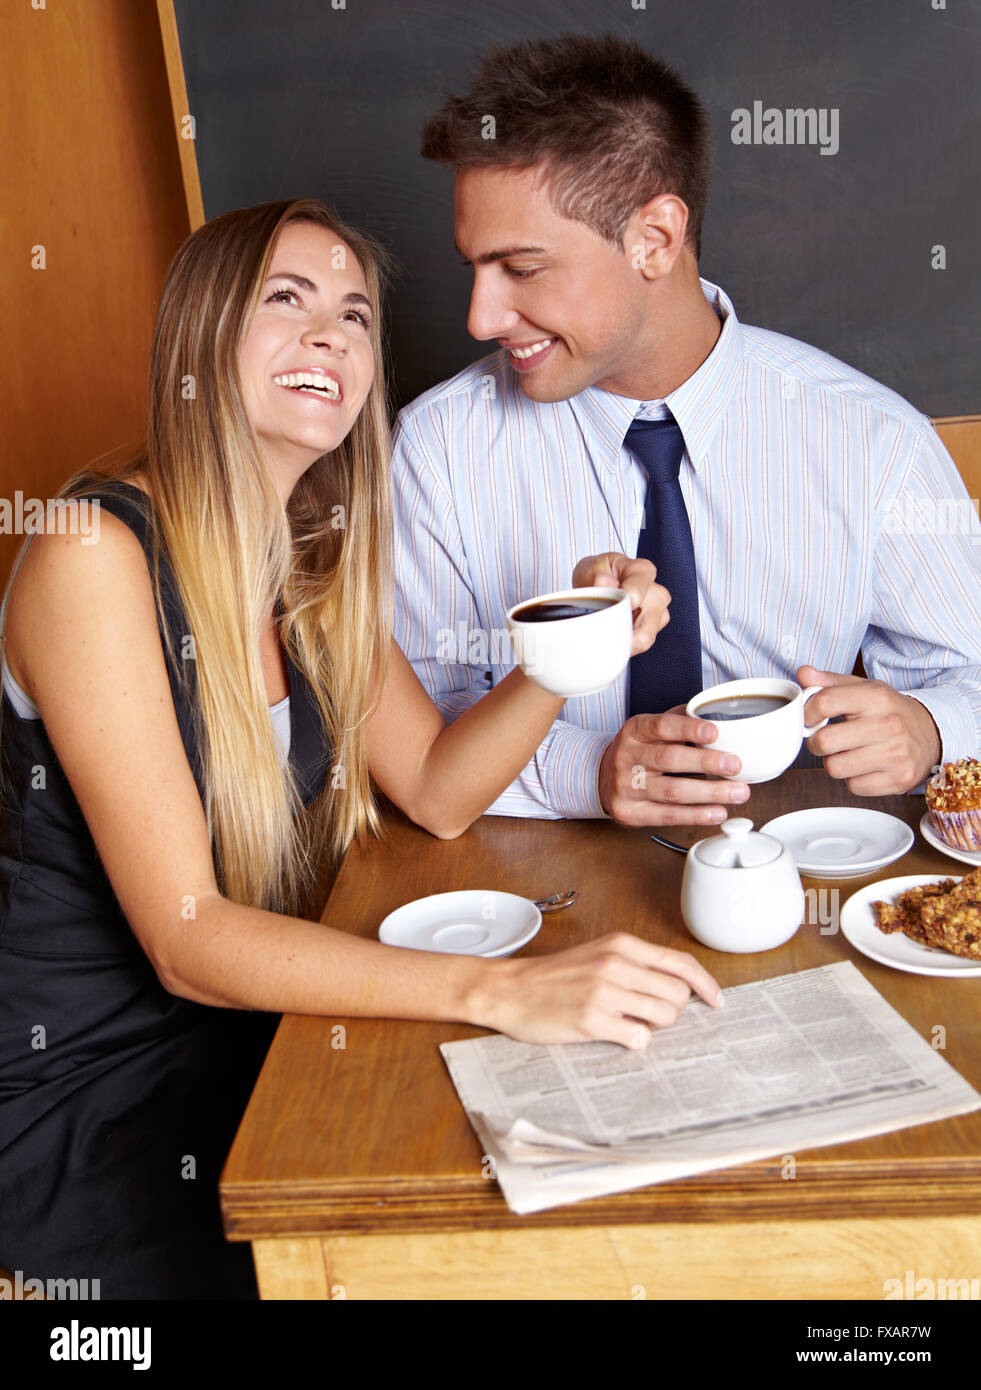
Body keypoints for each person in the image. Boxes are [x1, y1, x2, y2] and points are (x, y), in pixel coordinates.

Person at [0, 198, 722, 1299]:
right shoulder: (92, 555)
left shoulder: (308, 561)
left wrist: (567, 653)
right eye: (285, 301)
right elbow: (187, 940)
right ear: (201, 337)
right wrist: (502, 990)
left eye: (353, 315)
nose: (330, 337)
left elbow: (436, 789)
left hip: (267, 1038)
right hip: (94, 1099)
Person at [391, 34, 981, 829]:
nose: (481, 317)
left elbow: (969, 673)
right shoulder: (437, 450)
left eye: (521, 269)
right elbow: (419, 739)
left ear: (655, 240)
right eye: (474, 269)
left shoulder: (873, 441)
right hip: (529, 897)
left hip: (801, 870)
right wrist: (592, 771)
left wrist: (931, 727)